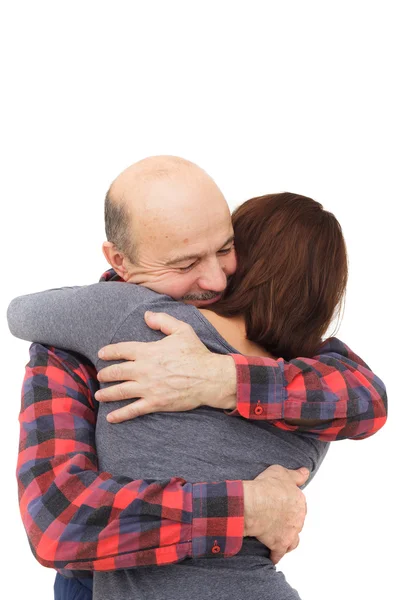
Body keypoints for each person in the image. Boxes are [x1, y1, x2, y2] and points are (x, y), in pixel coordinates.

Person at [8, 157, 387, 599]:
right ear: (121, 262)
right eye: (185, 263)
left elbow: (371, 402)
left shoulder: (300, 359)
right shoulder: (73, 346)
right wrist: (246, 508)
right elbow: (60, 526)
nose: (215, 279)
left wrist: (221, 378)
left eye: (226, 250)